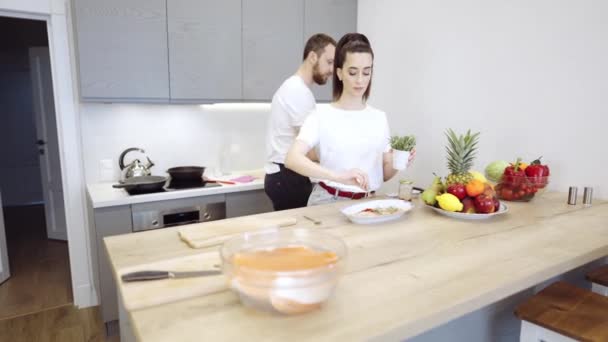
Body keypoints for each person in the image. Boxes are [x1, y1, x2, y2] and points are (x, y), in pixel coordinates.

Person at [285, 33, 415, 206]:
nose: (360, 80)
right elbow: (292, 159)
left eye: (366, 72)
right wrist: (339, 177)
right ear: (339, 73)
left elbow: (383, 174)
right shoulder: (321, 114)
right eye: (353, 72)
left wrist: (398, 163)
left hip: (369, 203)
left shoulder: (379, 118)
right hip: (328, 201)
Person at [264, 33, 337, 211]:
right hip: (288, 177)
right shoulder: (297, 91)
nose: (332, 69)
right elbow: (309, 150)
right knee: (295, 235)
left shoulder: (298, 89)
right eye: (329, 62)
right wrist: (340, 158)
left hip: (287, 176)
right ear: (313, 57)